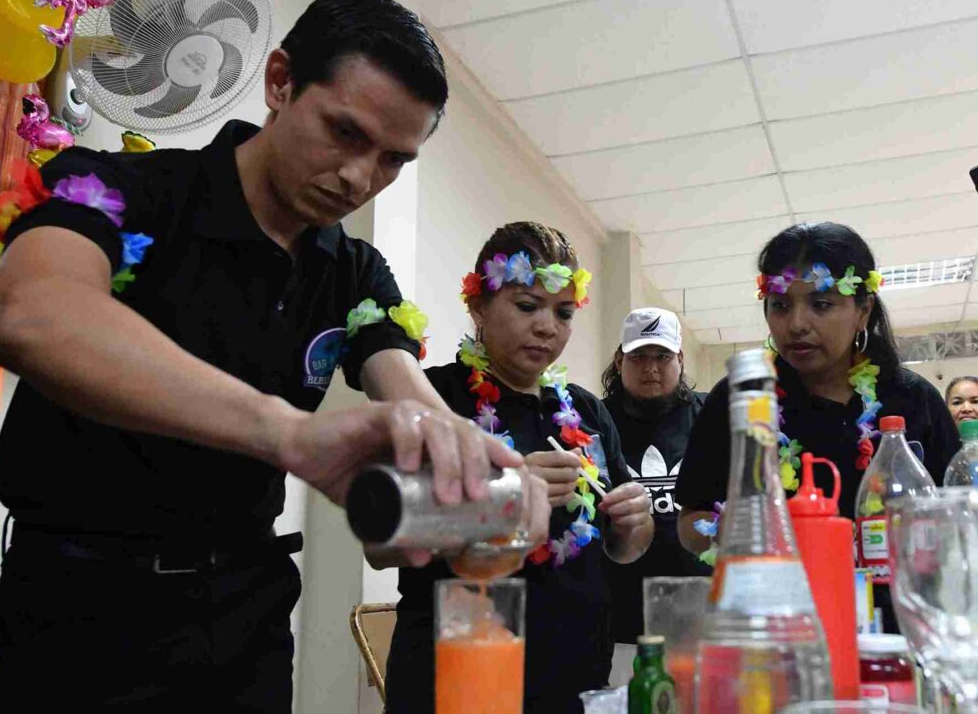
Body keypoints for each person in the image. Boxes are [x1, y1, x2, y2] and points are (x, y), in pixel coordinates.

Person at [0, 0, 545, 713]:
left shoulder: (353, 272)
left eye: (393, 160)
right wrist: (289, 432)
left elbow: (410, 396)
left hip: (244, 624)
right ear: (280, 82)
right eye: (344, 132)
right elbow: (27, 313)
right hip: (79, 611)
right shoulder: (121, 190)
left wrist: (476, 479)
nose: (358, 177)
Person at [384, 222, 654, 714]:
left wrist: (634, 524)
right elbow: (382, 545)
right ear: (478, 305)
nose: (548, 326)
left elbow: (623, 548)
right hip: (456, 678)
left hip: (575, 677)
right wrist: (503, 493)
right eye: (527, 306)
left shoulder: (588, 412)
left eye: (564, 312)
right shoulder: (432, 396)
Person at [675, 222, 960, 633]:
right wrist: (731, 532)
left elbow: (953, 521)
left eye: (821, 304)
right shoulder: (740, 400)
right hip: (781, 628)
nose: (796, 324)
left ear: (862, 309)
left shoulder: (912, 399)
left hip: (902, 630)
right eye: (780, 305)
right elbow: (690, 523)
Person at [599, 308, 711, 661]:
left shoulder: (711, 416)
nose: (651, 368)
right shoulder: (593, 420)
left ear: (680, 358)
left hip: (701, 617)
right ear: (619, 361)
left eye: (662, 356)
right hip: (617, 624)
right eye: (638, 356)